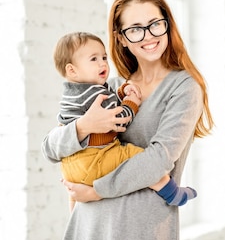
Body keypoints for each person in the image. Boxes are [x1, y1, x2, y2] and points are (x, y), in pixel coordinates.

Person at [42, 0, 214, 240]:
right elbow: (50, 149)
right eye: (135, 29)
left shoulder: (184, 87)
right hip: (88, 226)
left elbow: (159, 161)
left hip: (139, 229)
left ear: (167, 25)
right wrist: (83, 126)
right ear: (121, 37)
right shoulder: (108, 87)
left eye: (155, 24)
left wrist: (96, 191)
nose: (148, 35)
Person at [51, 31, 197, 212]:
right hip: (95, 159)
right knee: (134, 155)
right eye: (94, 59)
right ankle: (171, 192)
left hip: (71, 168)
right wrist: (131, 103)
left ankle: (73, 214)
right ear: (72, 70)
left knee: (76, 207)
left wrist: (119, 93)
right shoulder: (94, 93)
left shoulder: (72, 94)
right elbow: (120, 119)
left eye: (104, 57)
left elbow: (57, 134)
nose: (102, 63)